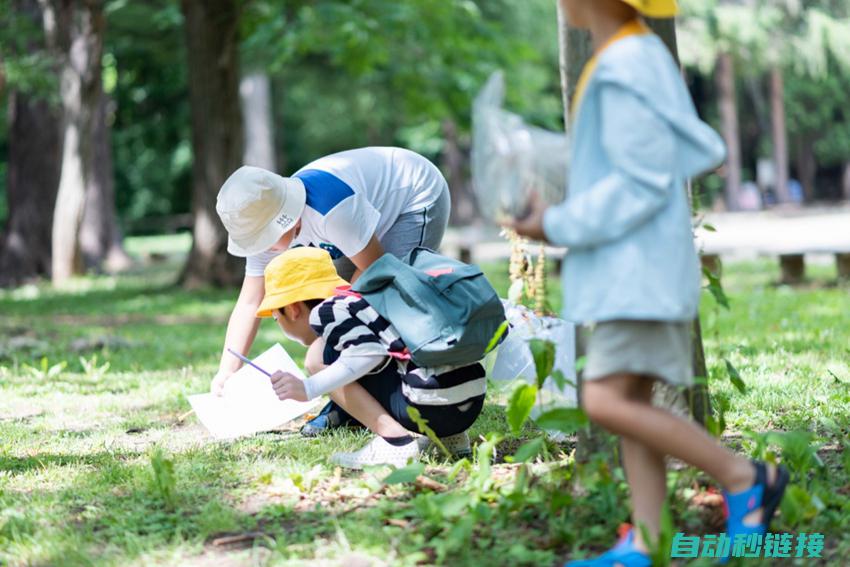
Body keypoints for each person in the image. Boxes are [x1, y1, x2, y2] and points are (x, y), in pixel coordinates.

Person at [509, 1, 789, 564]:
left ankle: (744, 476)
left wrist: (555, 223)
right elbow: (645, 161)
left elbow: (636, 184)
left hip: (634, 272)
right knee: (631, 400)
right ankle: (649, 539)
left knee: (606, 400)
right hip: (633, 269)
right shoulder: (629, 55)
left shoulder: (625, 64)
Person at [212, 147, 451, 436]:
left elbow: (376, 272)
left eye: (263, 240)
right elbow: (250, 301)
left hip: (413, 197)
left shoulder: (333, 211)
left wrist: (327, 346)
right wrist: (228, 370)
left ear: (285, 220)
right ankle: (349, 400)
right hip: (357, 225)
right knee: (333, 318)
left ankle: (409, 404)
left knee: (384, 303)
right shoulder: (263, 225)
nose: (261, 249)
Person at [254, 247, 485, 467]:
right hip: (468, 405)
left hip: (431, 406)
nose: (278, 323)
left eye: (276, 317)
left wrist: (309, 387)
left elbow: (369, 352)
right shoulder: (365, 300)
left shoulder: (327, 312)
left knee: (319, 357)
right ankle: (450, 438)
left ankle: (394, 442)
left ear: (293, 309)